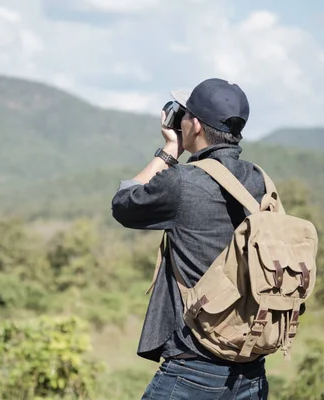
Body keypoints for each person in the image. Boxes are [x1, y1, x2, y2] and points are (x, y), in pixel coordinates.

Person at [110, 78, 269, 399]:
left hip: (193, 369)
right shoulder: (259, 180)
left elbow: (124, 204)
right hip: (251, 370)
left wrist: (170, 150)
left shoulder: (183, 181)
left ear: (194, 125)